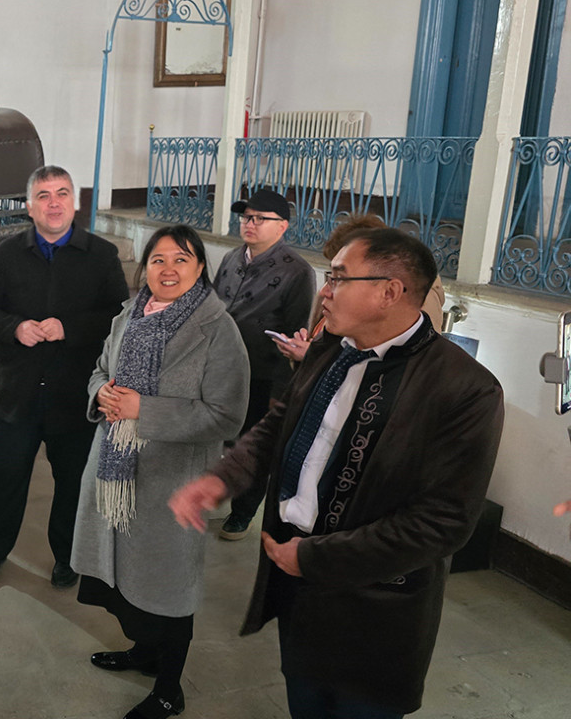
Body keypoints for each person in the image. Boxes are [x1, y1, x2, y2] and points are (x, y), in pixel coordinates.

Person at [170, 228, 505, 719]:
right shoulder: (332, 345)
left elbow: (443, 521)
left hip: (377, 604)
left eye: (339, 278)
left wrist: (314, 558)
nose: (324, 291)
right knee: (305, 699)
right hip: (297, 580)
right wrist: (223, 478)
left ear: (389, 291)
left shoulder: (465, 388)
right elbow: (280, 423)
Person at [72, 225, 249, 719]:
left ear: (200, 269)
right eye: (158, 260)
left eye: (181, 260)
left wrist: (142, 410)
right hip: (115, 470)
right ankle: (144, 653)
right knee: (125, 579)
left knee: (169, 588)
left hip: (171, 483)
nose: (168, 270)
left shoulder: (218, 330)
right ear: (145, 267)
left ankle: (170, 688)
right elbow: (100, 369)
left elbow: (227, 415)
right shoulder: (130, 314)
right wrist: (102, 393)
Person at [0, 164, 129, 587]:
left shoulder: (101, 255)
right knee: (5, 478)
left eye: (61, 194)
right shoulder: (7, 254)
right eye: (43, 196)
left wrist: (69, 328)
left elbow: (119, 315)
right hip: (17, 393)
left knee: (72, 484)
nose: (53, 203)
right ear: (29, 207)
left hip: (75, 397)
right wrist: (14, 328)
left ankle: (67, 558)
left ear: (74, 203)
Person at [213, 188, 316, 541]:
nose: (250, 224)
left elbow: (296, 330)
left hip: (262, 373)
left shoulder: (297, 271)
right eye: (246, 217)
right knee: (218, 433)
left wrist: (281, 388)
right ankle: (214, 490)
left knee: (253, 444)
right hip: (221, 366)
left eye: (260, 219)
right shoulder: (231, 258)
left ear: (282, 226)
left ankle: (242, 511)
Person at [273, 214, 446, 364]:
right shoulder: (331, 292)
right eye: (333, 274)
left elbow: (407, 362)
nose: (324, 291)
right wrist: (308, 350)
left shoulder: (416, 301)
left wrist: (312, 357)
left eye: (341, 276)